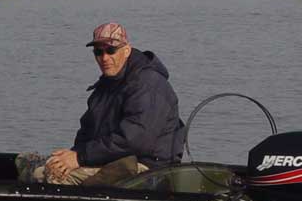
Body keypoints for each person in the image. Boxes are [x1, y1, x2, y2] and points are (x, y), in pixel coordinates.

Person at [16, 22, 184, 185]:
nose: (104, 58)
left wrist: (79, 157)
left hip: (147, 170)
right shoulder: (107, 85)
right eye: (98, 52)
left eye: (111, 50)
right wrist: (69, 157)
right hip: (113, 159)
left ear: (126, 50)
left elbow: (135, 141)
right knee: (28, 162)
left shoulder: (147, 84)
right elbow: (87, 131)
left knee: (47, 176)